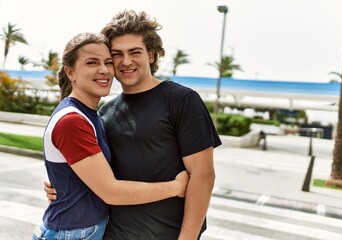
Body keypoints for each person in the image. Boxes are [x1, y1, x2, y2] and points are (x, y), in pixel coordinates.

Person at [46, 9, 221, 239]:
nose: (126, 61)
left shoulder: (181, 100)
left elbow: (203, 176)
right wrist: (63, 183)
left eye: (135, 52)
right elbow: (100, 175)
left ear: (151, 55)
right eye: (117, 54)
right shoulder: (104, 112)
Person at [35, 32, 189, 240]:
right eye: (92, 62)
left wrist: (63, 184)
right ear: (70, 72)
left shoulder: (92, 115)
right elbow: (111, 191)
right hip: (73, 234)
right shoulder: (73, 121)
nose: (104, 70)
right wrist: (176, 187)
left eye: (108, 62)